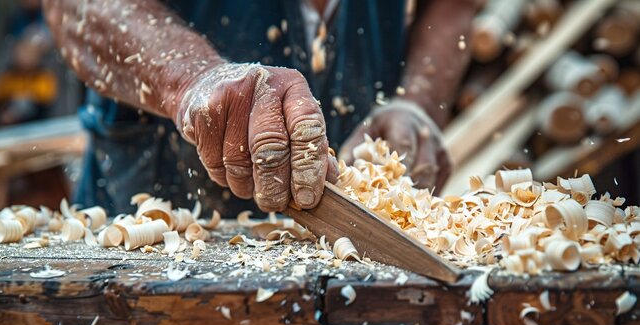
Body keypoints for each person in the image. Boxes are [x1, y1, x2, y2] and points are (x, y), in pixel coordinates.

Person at [42, 0, 477, 216]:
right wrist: (190, 78)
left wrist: (416, 101)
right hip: (151, 228)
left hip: (346, 272)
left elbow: (453, 6)